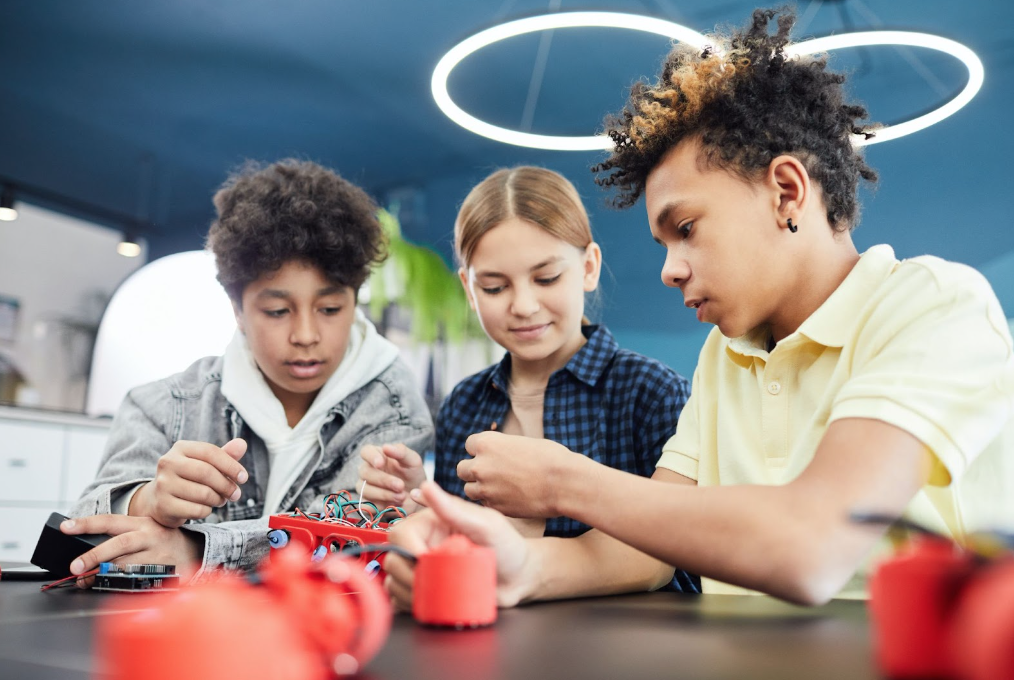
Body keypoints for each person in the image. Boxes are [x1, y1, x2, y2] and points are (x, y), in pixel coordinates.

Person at [383, 8, 1014, 608]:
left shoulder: (933, 306)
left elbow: (812, 545)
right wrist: (522, 569)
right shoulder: (726, 356)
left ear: (787, 191)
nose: (669, 268)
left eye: (685, 228)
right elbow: (645, 556)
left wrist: (561, 481)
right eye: (663, 243)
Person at [62, 160, 434, 581]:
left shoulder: (392, 408)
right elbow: (80, 530)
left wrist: (197, 549)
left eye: (330, 309)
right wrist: (145, 501)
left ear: (354, 301)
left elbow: (339, 546)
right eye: (277, 311)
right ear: (237, 309)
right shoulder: (164, 406)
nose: (307, 334)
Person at [357, 166, 698, 592]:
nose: (523, 305)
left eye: (546, 278)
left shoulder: (652, 392)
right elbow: (461, 548)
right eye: (495, 287)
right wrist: (419, 498)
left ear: (589, 266)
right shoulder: (465, 403)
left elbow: (678, 551)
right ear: (468, 289)